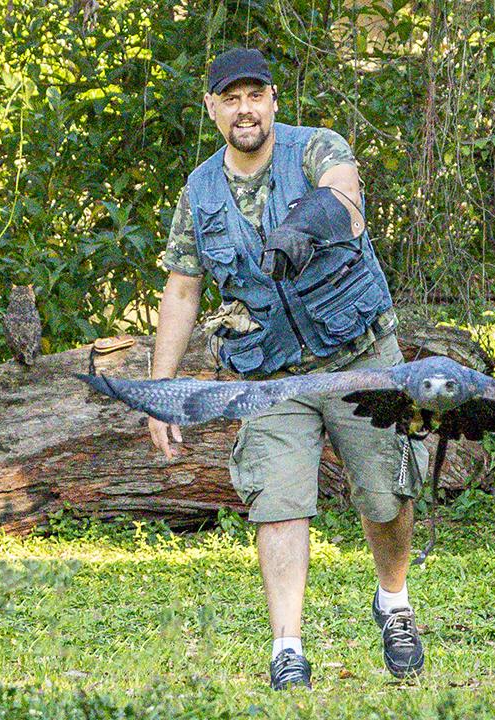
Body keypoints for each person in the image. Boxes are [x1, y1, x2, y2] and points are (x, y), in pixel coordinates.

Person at [152, 47, 429, 690]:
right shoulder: (200, 191)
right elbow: (183, 288)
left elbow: (347, 199)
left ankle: (393, 601)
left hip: (358, 357)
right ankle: (288, 648)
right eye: (231, 98)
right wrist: (161, 390)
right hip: (270, 373)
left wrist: (305, 226)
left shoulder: (314, 147)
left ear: (273, 100)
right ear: (213, 108)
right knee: (278, 501)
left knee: (386, 497)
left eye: (255, 95)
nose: (245, 109)